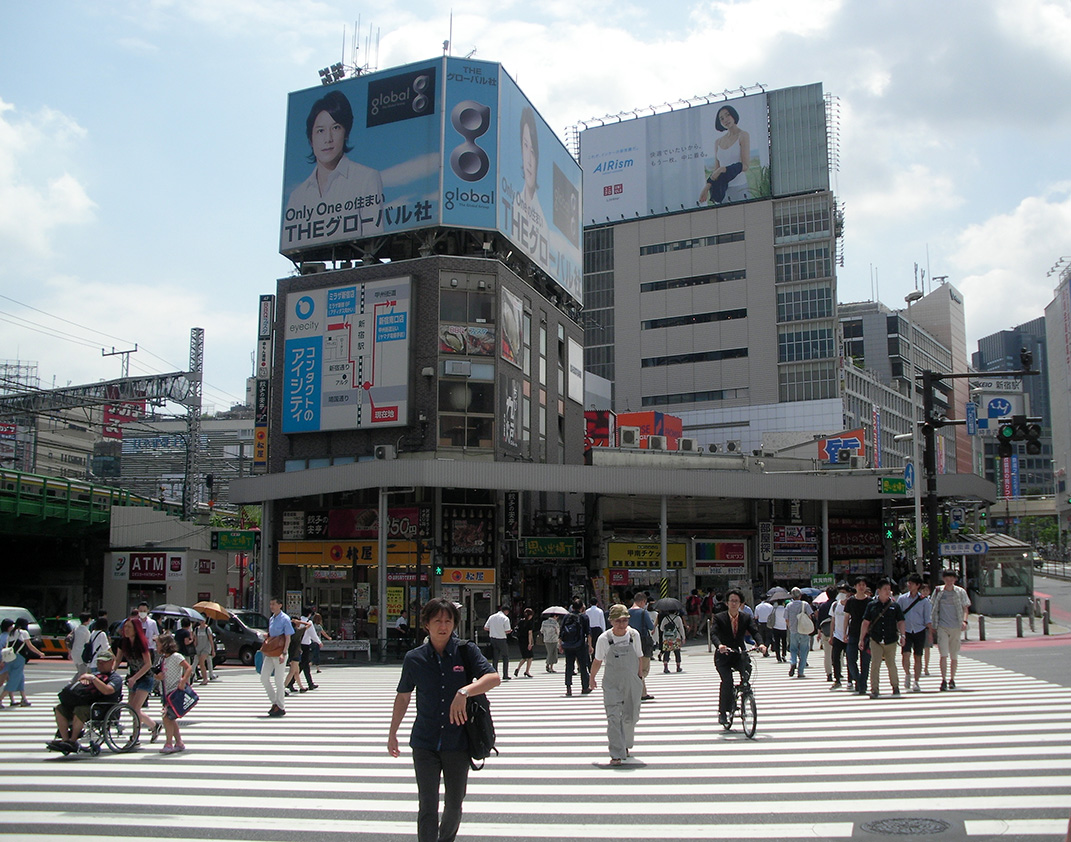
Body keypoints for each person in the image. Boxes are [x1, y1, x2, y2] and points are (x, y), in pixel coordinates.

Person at [388, 598, 500, 842]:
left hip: (457, 741)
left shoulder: (465, 651)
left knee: (454, 803)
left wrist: (465, 691)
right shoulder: (414, 658)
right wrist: (392, 733)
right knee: (427, 805)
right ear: (426, 624)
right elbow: (403, 696)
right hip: (424, 741)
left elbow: (493, 678)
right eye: (437, 621)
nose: (443, 626)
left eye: (448, 621)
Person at [284, 90, 384, 241]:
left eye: (336, 128)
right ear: (311, 139)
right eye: (320, 131)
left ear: (346, 133)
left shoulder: (366, 178)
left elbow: (374, 236)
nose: (328, 138)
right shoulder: (297, 197)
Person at [588, 604, 643, 766]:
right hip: (612, 683)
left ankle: (625, 744)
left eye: (625, 620)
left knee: (630, 717)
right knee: (613, 717)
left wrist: (640, 677)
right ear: (611, 621)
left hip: (631, 681)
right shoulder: (604, 639)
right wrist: (592, 678)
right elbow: (597, 660)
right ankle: (616, 753)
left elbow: (639, 656)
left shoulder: (634, 635)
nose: (622, 624)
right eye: (618, 621)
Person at [48, 649, 123, 752]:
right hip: (86, 702)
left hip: (103, 707)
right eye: (99, 662)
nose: (100, 664)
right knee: (60, 708)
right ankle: (65, 740)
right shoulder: (95, 675)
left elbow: (107, 690)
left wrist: (93, 679)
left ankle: (72, 741)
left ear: (111, 662)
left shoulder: (115, 678)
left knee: (80, 710)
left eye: (104, 662)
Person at [711, 590, 767, 725]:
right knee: (727, 682)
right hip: (723, 655)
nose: (734, 603)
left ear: (741, 604)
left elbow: (754, 631)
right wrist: (720, 645)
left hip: (738, 654)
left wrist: (761, 644)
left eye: (736, 601)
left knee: (747, 670)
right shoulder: (719, 617)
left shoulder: (745, 618)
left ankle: (744, 695)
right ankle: (723, 712)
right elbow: (714, 634)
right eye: (731, 601)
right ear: (727, 603)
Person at [116, 613, 161, 742]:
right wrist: (110, 672)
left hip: (145, 678)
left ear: (136, 629)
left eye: (129, 627)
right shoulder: (123, 642)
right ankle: (154, 725)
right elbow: (117, 660)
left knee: (135, 709)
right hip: (132, 677)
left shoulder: (142, 643)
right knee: (132, 709)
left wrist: (135, 678)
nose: (126, 630)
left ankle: (135, 737)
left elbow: (148, 664)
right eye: (125, 627)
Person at [860, 578, 906, 698]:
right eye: (885, 589)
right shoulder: (872, 605)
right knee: (875, 664)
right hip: (876, 639)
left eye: (889, 589)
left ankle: (895, 686)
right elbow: (865, 622)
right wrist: (861, 639)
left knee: (891, 664)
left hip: (891, 639)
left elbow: (901, 621)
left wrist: (903, 635)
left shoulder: (895, 606)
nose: (888, 591)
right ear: (879, 591)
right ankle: (874, 689)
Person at [699, 104, 752, 205]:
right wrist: (707, 187)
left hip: (739, 186)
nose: (725, 120)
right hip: (721, 188)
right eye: (722, 118)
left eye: (727, 115)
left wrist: (724, 169)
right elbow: (716, 170)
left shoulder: (743, 135)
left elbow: (745, 166)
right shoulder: (718, 142)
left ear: (733, 115)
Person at [931, 568, 971, 690]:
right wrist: (932, 624)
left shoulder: (960, 592)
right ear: (943, 579)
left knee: (954, 654)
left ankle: (952, 679)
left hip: (956, 626)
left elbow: (965, 608)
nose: (949, 581)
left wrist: (964, 621)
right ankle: (943, 679)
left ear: (955, 579)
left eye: (951, 579)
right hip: (942, 626)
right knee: (943, 654)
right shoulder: (938, 591)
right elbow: (932, 606)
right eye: (947, 579)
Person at [156, 632, 193, 754]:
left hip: (174, 692)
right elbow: (159, 674)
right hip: (165, 692)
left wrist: (183, 680)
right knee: (171, 718)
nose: (156, 647)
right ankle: (179, 742)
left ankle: (168, 743)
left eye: (158, 644)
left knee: (167, 718)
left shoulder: (176, 656)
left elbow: (188, 668)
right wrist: (158, 677)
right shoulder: (162, 659)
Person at [897, 572, 933, 693]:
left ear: (918, 585)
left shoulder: (924, 601)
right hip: (906, 630)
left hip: (919, 630)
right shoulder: (902, 599)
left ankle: (916, 681)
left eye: (912, 583)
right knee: (905, 654)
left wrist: (930, 634)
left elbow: (927, 618)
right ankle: (907, 674)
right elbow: (898, 615)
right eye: (908, 583)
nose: (909, 585)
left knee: (918, 656)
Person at [261, 597, 293, 717]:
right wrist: (267, 636)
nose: (271, 606)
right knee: (264, 677)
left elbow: (288, 637)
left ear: (280, 605)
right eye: (270, 604)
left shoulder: (285, 619)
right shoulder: (272, 618)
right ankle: (275, 702)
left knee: (278, 681)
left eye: (274, 604)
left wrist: (284, 653)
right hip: (270, 651)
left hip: (280, 652)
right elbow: (272, 634)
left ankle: (280, 706)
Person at [5, 617, 44, 706]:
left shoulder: (11, 632)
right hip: (19, 657)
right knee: (15, 679)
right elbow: (30, 646)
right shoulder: (23, 633)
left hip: (10, 657)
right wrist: (40, 653)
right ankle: (1, 698)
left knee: (19, 678)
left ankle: (21, 698)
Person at [845, 577, 872, 696]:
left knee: (865, 661)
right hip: (853, 633)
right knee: (850, 659)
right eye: (859, 585)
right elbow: (846, 617)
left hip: (867, 635)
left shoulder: (870, 601)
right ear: (855, 587)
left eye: (863, 585)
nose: (861, 587)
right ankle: (858, 679)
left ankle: (863, 685)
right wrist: (844, 632)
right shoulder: (850, 601)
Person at [559, 600, 592, 697]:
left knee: (569, 665)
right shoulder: (584, 617)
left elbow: (561, 632)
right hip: (580, 645)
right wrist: (590, 645)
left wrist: (560, 645)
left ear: (572, 607)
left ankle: (568, 688)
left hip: (568, 645)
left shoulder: (566, 617)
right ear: (582, 607)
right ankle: (585, 687)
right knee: (583, 666)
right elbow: (588, 632)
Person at [628, 593, 657, 700]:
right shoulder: (643, 612)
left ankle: (642, 692)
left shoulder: (627, 612)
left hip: (630, 642)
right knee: (644, 669)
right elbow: (651, 627)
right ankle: (640, 691)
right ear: (642, 601)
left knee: (634, 667)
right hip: (642, 643)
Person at [785, 589, 815, 678]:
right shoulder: (805, 604)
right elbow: (810, 615)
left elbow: (786, 619)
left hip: (793, 630)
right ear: (800, 595)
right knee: (804, 651)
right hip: (804, 630)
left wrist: (789, 627)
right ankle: (800, 671)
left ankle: (793, 661)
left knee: (793, 649)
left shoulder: (788, 606)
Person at [829, 584, 851, 689]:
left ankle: (850, 680)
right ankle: (837, 679)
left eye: (844, 592)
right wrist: (831, 635)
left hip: (848, 636)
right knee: (835, 658)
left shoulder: (851, 604)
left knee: (850, 659)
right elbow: (833, 621)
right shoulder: (835, 605)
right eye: (840, 592)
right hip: (837, 635)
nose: (842, 594)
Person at [483, 604, 512, 680]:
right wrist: (509, 631)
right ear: (506, 611)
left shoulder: (492, 617)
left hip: (493, 639)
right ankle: (505, 674)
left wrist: (493, 630)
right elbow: (507, 630)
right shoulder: (505, 618)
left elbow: (486, 628)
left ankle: (494, 673)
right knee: (505, 657)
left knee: (495, 657)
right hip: (501, 639)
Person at [285, 616, 308, 693]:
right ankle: (282, 688)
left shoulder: (289, 631)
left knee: (296, 672)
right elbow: (309, 624)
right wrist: (300, 622)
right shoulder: (297, 631)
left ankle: (301, 687)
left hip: (291, 652)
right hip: (296, 653)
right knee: (292, 672)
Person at [299, 613, 321, 690]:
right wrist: (319, 642)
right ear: (309, 614)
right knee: (302, 665)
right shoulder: (308, 622)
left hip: (298, 645)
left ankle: (310, 683)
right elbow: (313, 634)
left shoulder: (299, 621)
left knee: (305, 666)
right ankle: (290, 682)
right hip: (305, 645)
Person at [512, 608, 536, 678]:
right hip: (526, 641)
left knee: (524, 657)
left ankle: (518, 668)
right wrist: (530, 643)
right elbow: (530, 633)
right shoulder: (529, 623)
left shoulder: (521, 621)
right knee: (530, 657)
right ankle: (527, 671)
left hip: (520, 641)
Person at [69, 612, 93, 678]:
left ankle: (72, 683)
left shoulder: (76, 629)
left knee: (80, 672)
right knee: (83, 673)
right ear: (88, 620)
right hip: (82, 653)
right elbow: (88, 643)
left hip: (74, 652)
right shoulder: (86, 631)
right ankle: (72, 683)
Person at [193, 619, 216, 685]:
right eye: (201, 620)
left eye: (203, 620)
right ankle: (195, 676)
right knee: (196, 663)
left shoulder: (207, 629)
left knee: (202, 661)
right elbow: (195, 640)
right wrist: (194, 649)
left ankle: (205, 679)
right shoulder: (196, 629)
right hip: (198, 648)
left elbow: (211, 640)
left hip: (206, 648)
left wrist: (213, 650)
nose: (202, 622)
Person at [768, 599, 788, 663]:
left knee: (777, 643)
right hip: (784, 627)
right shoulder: (785, 609)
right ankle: (784, 654)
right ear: (783, 603)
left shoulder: (774, 609)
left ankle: (778, 657)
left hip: (776, 627)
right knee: (784, 642)